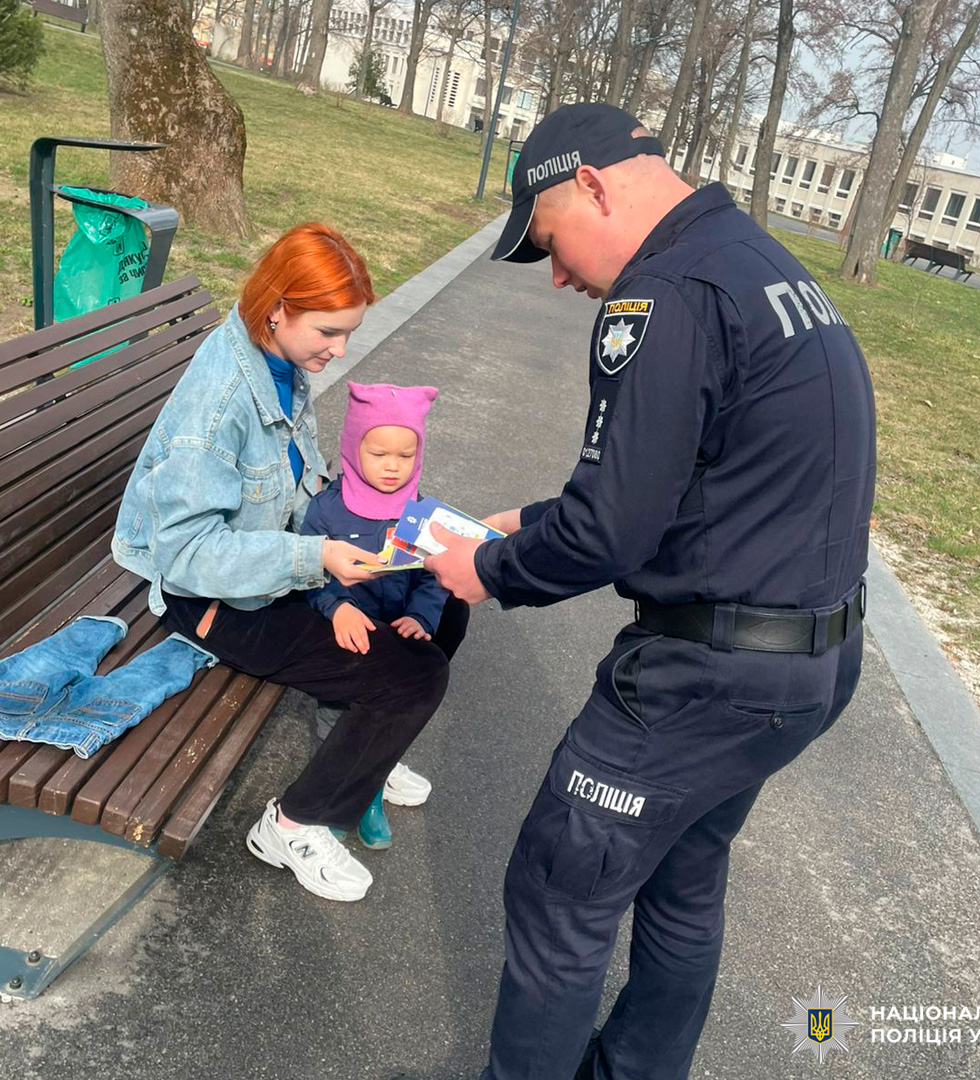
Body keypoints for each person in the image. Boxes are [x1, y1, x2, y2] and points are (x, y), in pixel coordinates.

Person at [422, 103, 876, 1080]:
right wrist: (531, 517)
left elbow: (613, 531)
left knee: (560, 887)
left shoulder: (661, 294)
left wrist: (487, 570)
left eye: (549, 242)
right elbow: (701, 479)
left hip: (699, 681)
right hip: (807, 663)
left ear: (591, 184)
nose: (559, 275)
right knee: (681, 878)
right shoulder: (760, 264)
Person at [112, 222, 463, 903]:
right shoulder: (219, 406)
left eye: (348, 334)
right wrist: (320, 557)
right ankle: (292, 823)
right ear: (278, 307)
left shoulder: (278, 361)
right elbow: (185, 554)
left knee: (442, 605)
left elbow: (296, 486)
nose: (339, 350)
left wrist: (378, 533)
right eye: (328, 332)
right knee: (412, 679)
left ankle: (369, 749)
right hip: (215, 601)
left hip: (274, 567)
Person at [300, 381, 466, 849]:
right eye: (378, 454)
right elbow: (310, 574)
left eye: (405, 456)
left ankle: (372, 781)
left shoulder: (417, 511)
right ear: (354, 448)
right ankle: (340, 791)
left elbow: (432, 574)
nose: (393, 467)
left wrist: (422, 615)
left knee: (395, 706)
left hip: (396, 633)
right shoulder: (329, 509)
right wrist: (336, 607)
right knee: (338, 716)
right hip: (344, 636)